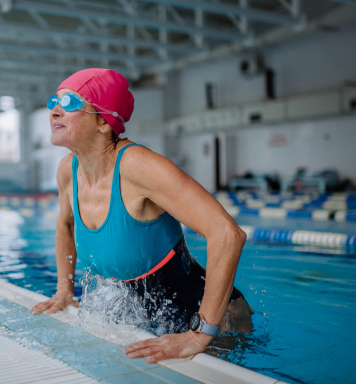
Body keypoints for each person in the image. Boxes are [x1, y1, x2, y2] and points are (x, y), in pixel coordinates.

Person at [29, 68, 252, 363]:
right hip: (155, 322)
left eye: (70, 103)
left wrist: (200, 333)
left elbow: (227, 234)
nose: (55, 111)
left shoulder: (137, 166)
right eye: (53, 102)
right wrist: (64, 290)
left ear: (103, 122)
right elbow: (65, 225)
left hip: (216, 323)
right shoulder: (67, 171)